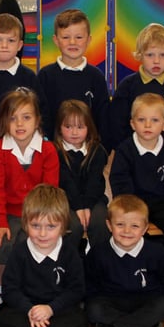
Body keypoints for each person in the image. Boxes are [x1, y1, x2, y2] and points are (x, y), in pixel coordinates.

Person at [0, 184, 90, 327]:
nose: (42, 233)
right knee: (4, 319)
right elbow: (9, 290)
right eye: (36, 225)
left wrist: (50, 309)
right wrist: (30, 310)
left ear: (63, 226)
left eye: (51, 226)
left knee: (80, 317)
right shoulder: (20, 252)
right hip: (27, 310)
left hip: (58, 309)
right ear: (25, 224)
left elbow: (76, 290)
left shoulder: (69, 252)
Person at [0, 88, 59, 295]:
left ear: (37, 121)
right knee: (1, 241)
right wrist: (0, 222)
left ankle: (33, 287)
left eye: (26, 117)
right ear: (4, 122)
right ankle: (0, 289)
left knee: (34, 240)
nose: (19, 124)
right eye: (13, 118)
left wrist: (38, 221)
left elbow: (49, 191)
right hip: (8, 212)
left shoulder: (48, 150)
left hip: (39, 212)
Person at [85, 195, 164, 327]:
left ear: (145, 228)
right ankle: (146, 325)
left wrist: (163, 295)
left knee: (163, 307)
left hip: (145, 299)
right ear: (109, 226)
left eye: (135, 226)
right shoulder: (99, 253)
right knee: (93, 310)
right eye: (120, 224)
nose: (127, 231)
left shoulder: (156, 251)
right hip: (112, 300)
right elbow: (89, 282)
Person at [109, 93, 164, 259]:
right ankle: (141, 264)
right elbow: (119, 181)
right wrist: (131, 210)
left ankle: (162, 262)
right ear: (132, 123)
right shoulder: (125, 150)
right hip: (133, 205)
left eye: (154, 120)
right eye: (141, 120)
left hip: (162, 204)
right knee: (132, 234)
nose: (147, 125)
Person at [110, 23, 164, 151]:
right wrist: (126, 147)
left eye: (163, 55)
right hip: (133, 152)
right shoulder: (127, 86)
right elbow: (116, 123)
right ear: (140, 55)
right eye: (150, 55)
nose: (156, 61)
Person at [38, 9, 111, 148]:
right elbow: (42, 117)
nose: (72, 42)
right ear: (56, 40)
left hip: (88, 152)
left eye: (79, 37)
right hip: (54, 151)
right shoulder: (45, 76)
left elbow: (103, 119)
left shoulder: (96, 77)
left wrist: (102, 150)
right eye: (65, 37)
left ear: (88, 40)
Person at [0, 13, 47, 145]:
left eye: (11, 41)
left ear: (19, 45)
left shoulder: (29, 77)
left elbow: (42, 112)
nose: (4, 45)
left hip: (24, 148)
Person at [53, 99, 109, 253]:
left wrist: (87, 206)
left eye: (80, 127)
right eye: (68, 127)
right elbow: (65, 182)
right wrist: (79, 207)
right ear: (59, 128)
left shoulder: (97, 151)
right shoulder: (55, 151)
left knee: (100, 222)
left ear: (89, 128)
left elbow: (95, 182)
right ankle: (69, 264)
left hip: (93, 199)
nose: (74, 132)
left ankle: (99, 264)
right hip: (66, 201)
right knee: (73, 226)